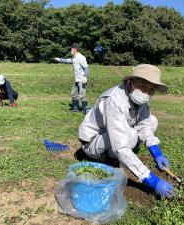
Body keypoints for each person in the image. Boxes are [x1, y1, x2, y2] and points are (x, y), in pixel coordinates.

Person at [78, 64, 176, 199]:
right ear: (130, 82)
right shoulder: (114, 100)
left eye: (151, 89)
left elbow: (145, 127)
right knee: (129, 136)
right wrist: (152, 181)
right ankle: (110, 159)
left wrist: (157, 153)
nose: (146, 93)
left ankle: (119, 153)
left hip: (113, 135)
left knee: (152, 120)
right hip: (93, 143)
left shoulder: (142, 100)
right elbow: (121, 147)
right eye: (142, 86)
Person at [53, 43, 90, 114]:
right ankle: (75, 108)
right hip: (76, 79)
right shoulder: (73, 58)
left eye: (71, 49)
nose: (70, 50)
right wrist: (58, 59)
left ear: (75, 49)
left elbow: (86, 68)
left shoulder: (81, 57)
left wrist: (85, 77)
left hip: (82, 80)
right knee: (74, 93)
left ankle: (85, 109)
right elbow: (66, 60)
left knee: (82, 94)